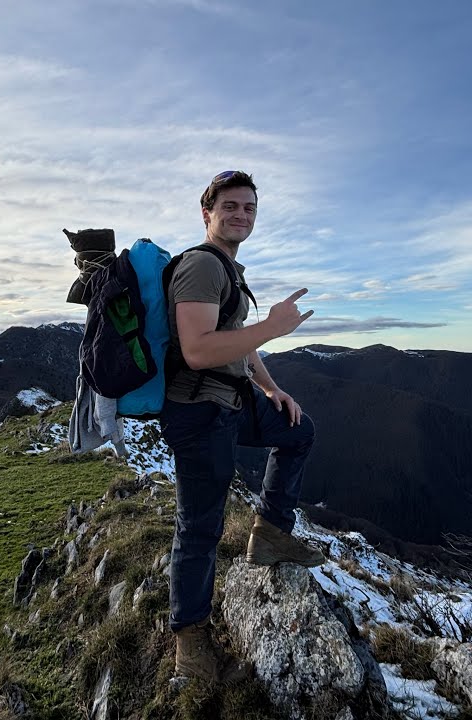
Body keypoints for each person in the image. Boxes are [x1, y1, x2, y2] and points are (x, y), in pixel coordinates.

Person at [163, 170, 326, 683]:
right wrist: (273, 326)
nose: (241, 215)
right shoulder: (200, 266)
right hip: (198, 412)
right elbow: (197, 349)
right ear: (207, 212)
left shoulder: (229, 270)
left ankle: (271, 533)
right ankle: (190, 642)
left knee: (298, 431)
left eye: (249, 208)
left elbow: (236, 340)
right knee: (200, 526)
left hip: (231, 401)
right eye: (230, 206)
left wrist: (271, 388)